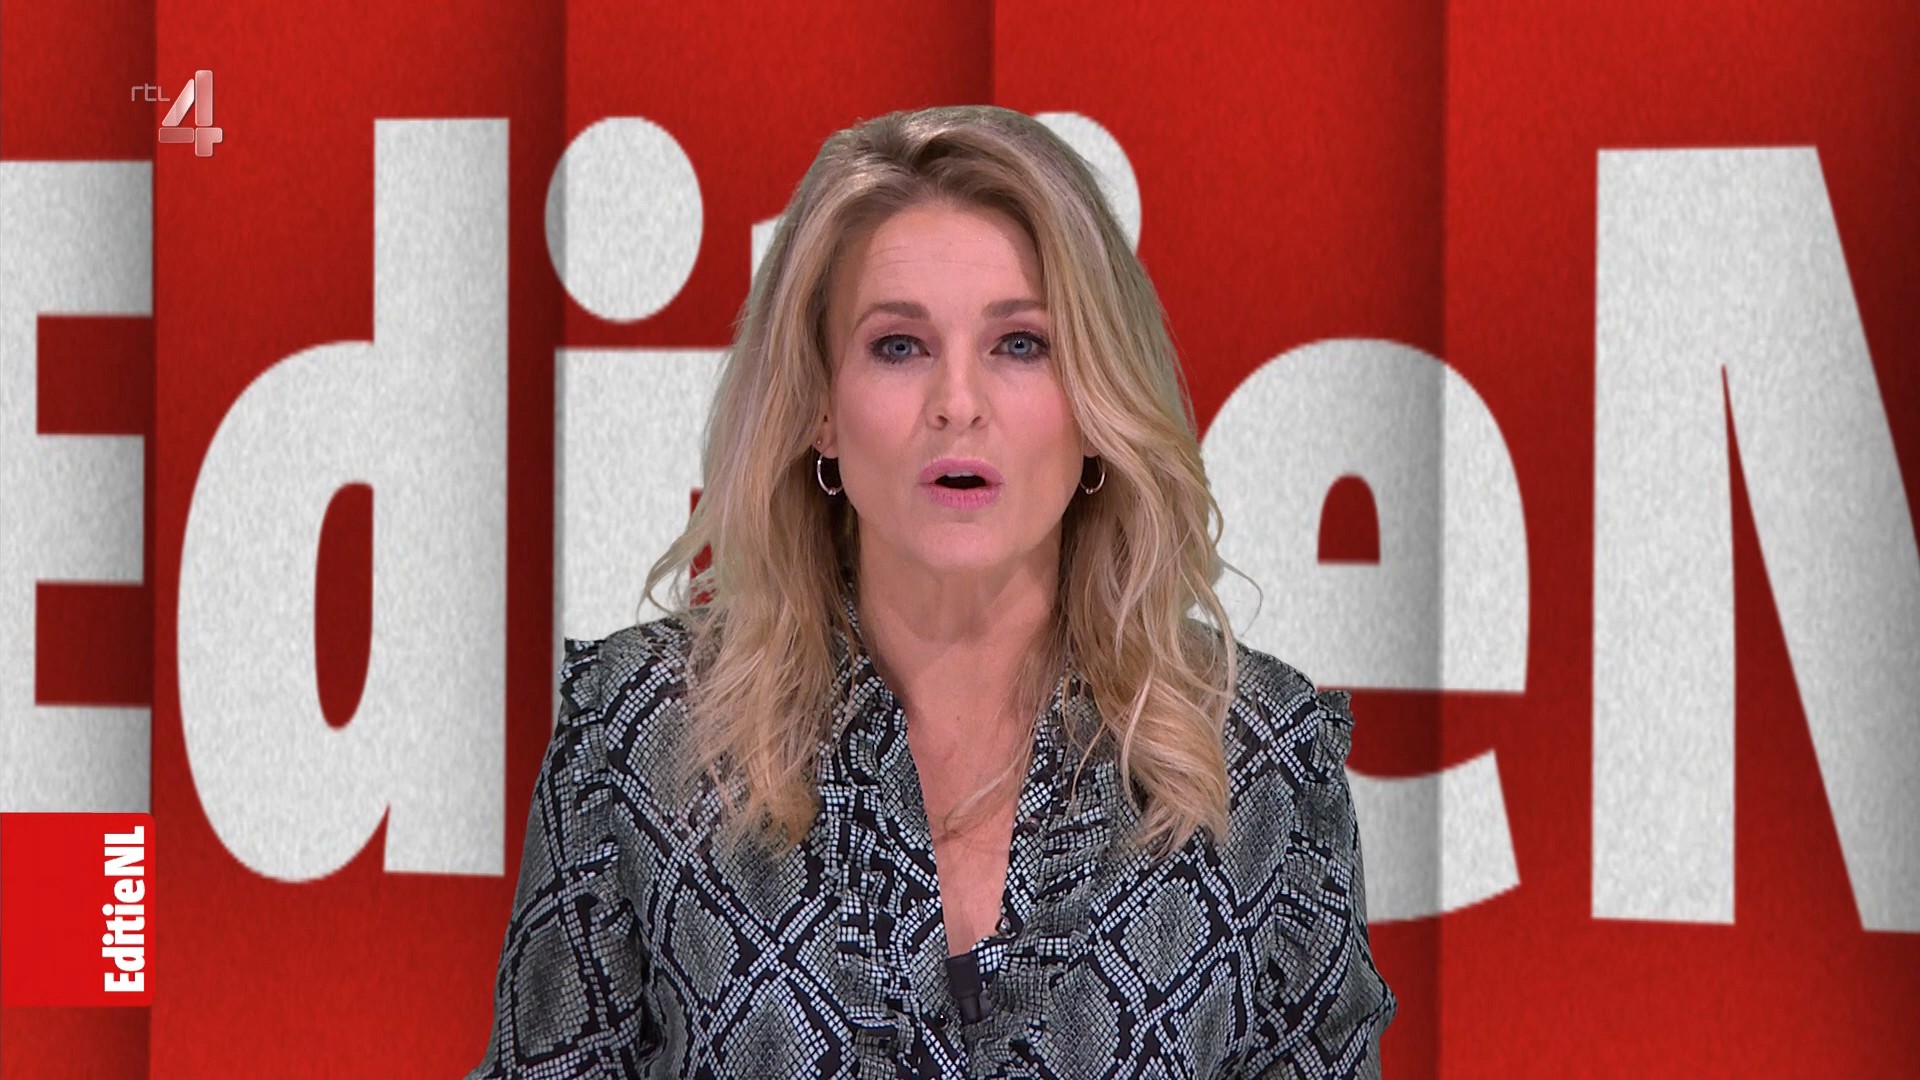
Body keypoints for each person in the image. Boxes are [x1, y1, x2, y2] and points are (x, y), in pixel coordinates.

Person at [468, 103, 1394, 1078]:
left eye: (1021, 344)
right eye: (899, 346)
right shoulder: (646, 733)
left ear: (1095, 405)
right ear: (821, 407)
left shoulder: (1257, 759)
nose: (958, 403)